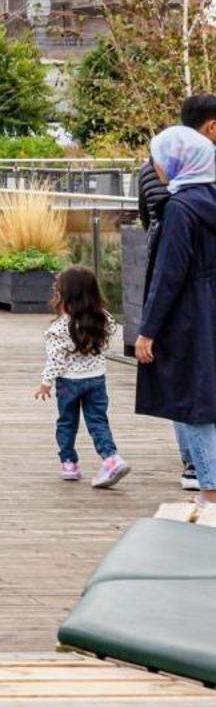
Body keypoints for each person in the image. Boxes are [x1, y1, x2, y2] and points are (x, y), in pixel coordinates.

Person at [136, 95, 216, 489]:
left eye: (159, 158)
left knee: (195, 402)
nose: (155, 166)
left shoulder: (181, 209)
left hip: (190, 316)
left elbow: (169, 275)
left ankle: (210, 489)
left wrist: (147, 330)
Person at [34, 267, 128, 487]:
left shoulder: (59, 328)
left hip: (68, 383)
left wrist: (45, 383)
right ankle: (111, 458)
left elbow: (55, 360)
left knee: (67, 422)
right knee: (98, 421)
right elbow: (112, 332)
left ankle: (69, 463)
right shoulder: (103, 319)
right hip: (96, 379)